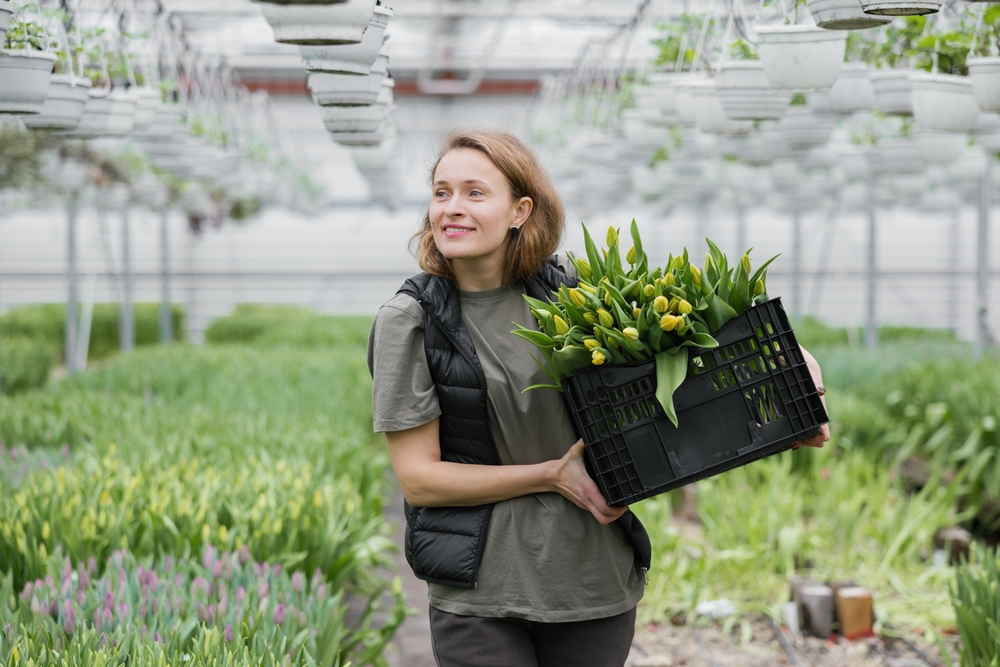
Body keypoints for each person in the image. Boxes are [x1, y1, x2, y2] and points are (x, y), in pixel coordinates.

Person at [366, 129, 830, 667]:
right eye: (441, 192)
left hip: (593, 579)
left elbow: (687, 325)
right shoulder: (412, 321)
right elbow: (421, 479)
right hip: (483, 591)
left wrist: (795, 360)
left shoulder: (573, 293)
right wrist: (549, 475)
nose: (451, 208)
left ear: (520, 211)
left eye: (474, 192)